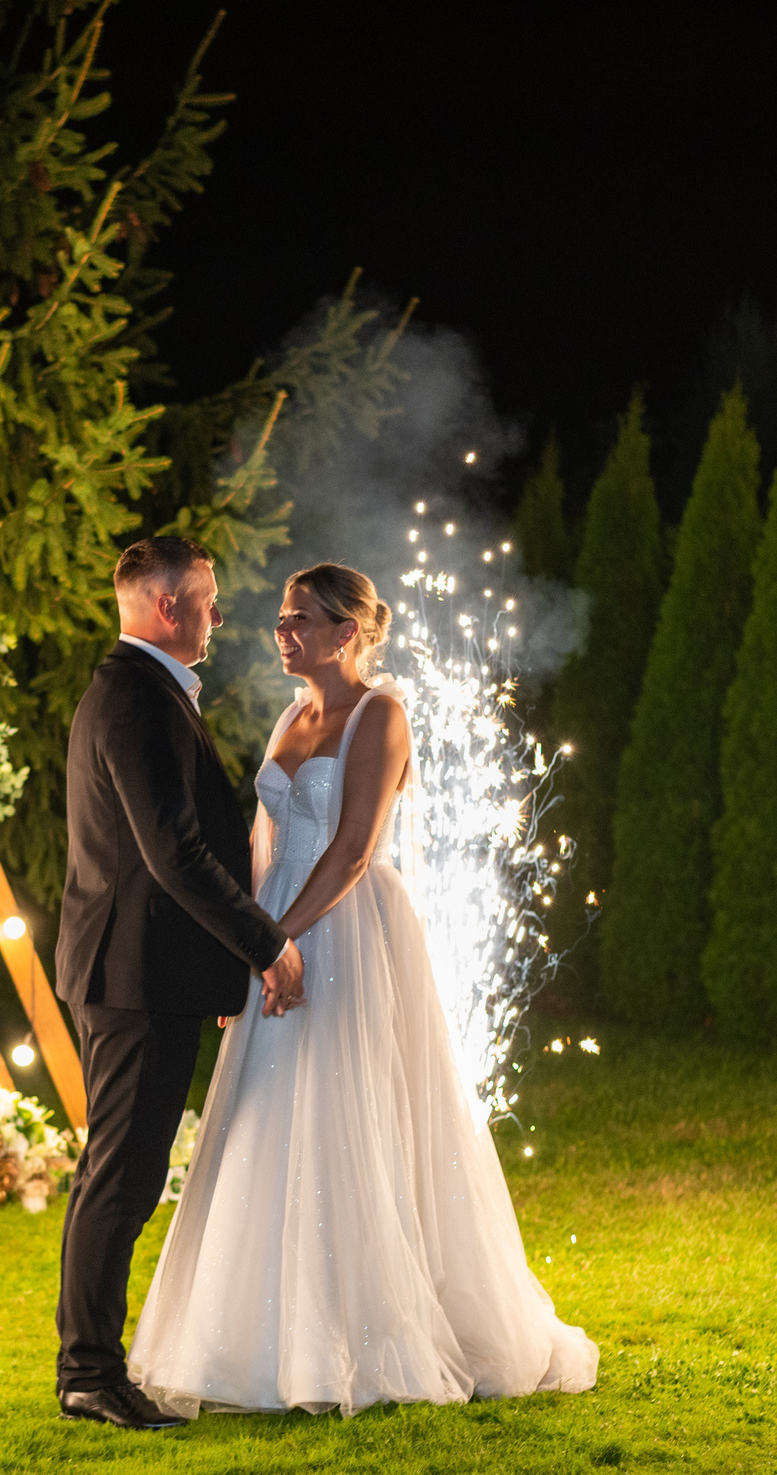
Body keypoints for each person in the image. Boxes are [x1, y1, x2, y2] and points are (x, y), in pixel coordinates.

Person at [128, 562, 598, 1417]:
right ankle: (260, 1339)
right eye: (280, 617)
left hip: (344, 931)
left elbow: (351, 846)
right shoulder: (289, 715)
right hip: (276, 931)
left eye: (301, 618)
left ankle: (364, 1332)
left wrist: (285, 939)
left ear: (348, 632)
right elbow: (262, 843)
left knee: (348, 1110)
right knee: (266, 1115)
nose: (283, 630)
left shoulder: (381, 712)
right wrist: (250, 947)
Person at [53, 536, 306, 1431]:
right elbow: (173, 853)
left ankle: (93, 1365)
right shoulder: (134, 696)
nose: (217, 613)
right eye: (206, 598)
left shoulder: (141, 690)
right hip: (133, 972)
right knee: (119, 1175)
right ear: (168, 607)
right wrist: (265, 942)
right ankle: (88, 1372)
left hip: (138, 970)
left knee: (123, 1170)